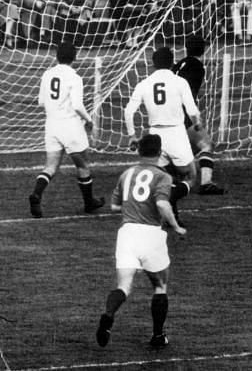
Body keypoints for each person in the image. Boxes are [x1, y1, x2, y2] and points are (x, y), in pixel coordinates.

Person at [95, 133, 187, 349]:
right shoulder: (163, 176)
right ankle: (157, 335)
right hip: (151, 235)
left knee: (124, 285)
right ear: (160, 152)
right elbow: (163, 205)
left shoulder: (127, 174)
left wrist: (133, 208)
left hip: (127, 233)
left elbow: (115, 206)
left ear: (139, 151)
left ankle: (108, 315)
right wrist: (176, 226)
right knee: (159, 286)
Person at [28, 42, 105, 218]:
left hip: (52, 125)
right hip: (70, 125)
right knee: (83, 165)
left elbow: (41, 101)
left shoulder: (47, 74)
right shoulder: (75, 78)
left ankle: (37, 194)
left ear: (56, 56)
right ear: (75, 57)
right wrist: (88, 120)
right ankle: (89, 203)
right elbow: (77, 105)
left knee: (50, 166)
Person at [124, 47, 200, 220]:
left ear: (153, 64)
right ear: (172, 62)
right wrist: (197, 125)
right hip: (176, 132)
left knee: (167, 177)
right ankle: (164, 201)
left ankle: (172, 214)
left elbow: (128, 111)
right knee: (191, 176)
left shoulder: (144, 83)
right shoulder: (180, 82)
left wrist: (132, 136)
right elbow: (192, 111)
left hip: (155, 136)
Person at [172, 35, 225, 195]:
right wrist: (193, 114)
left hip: (169, 111)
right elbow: (189, 91)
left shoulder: (178, 64)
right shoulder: (197, 66)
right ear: (203, 49)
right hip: (183, 112)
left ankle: (177, 172)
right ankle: (205, 183)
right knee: (205, 144)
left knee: (186, 147)